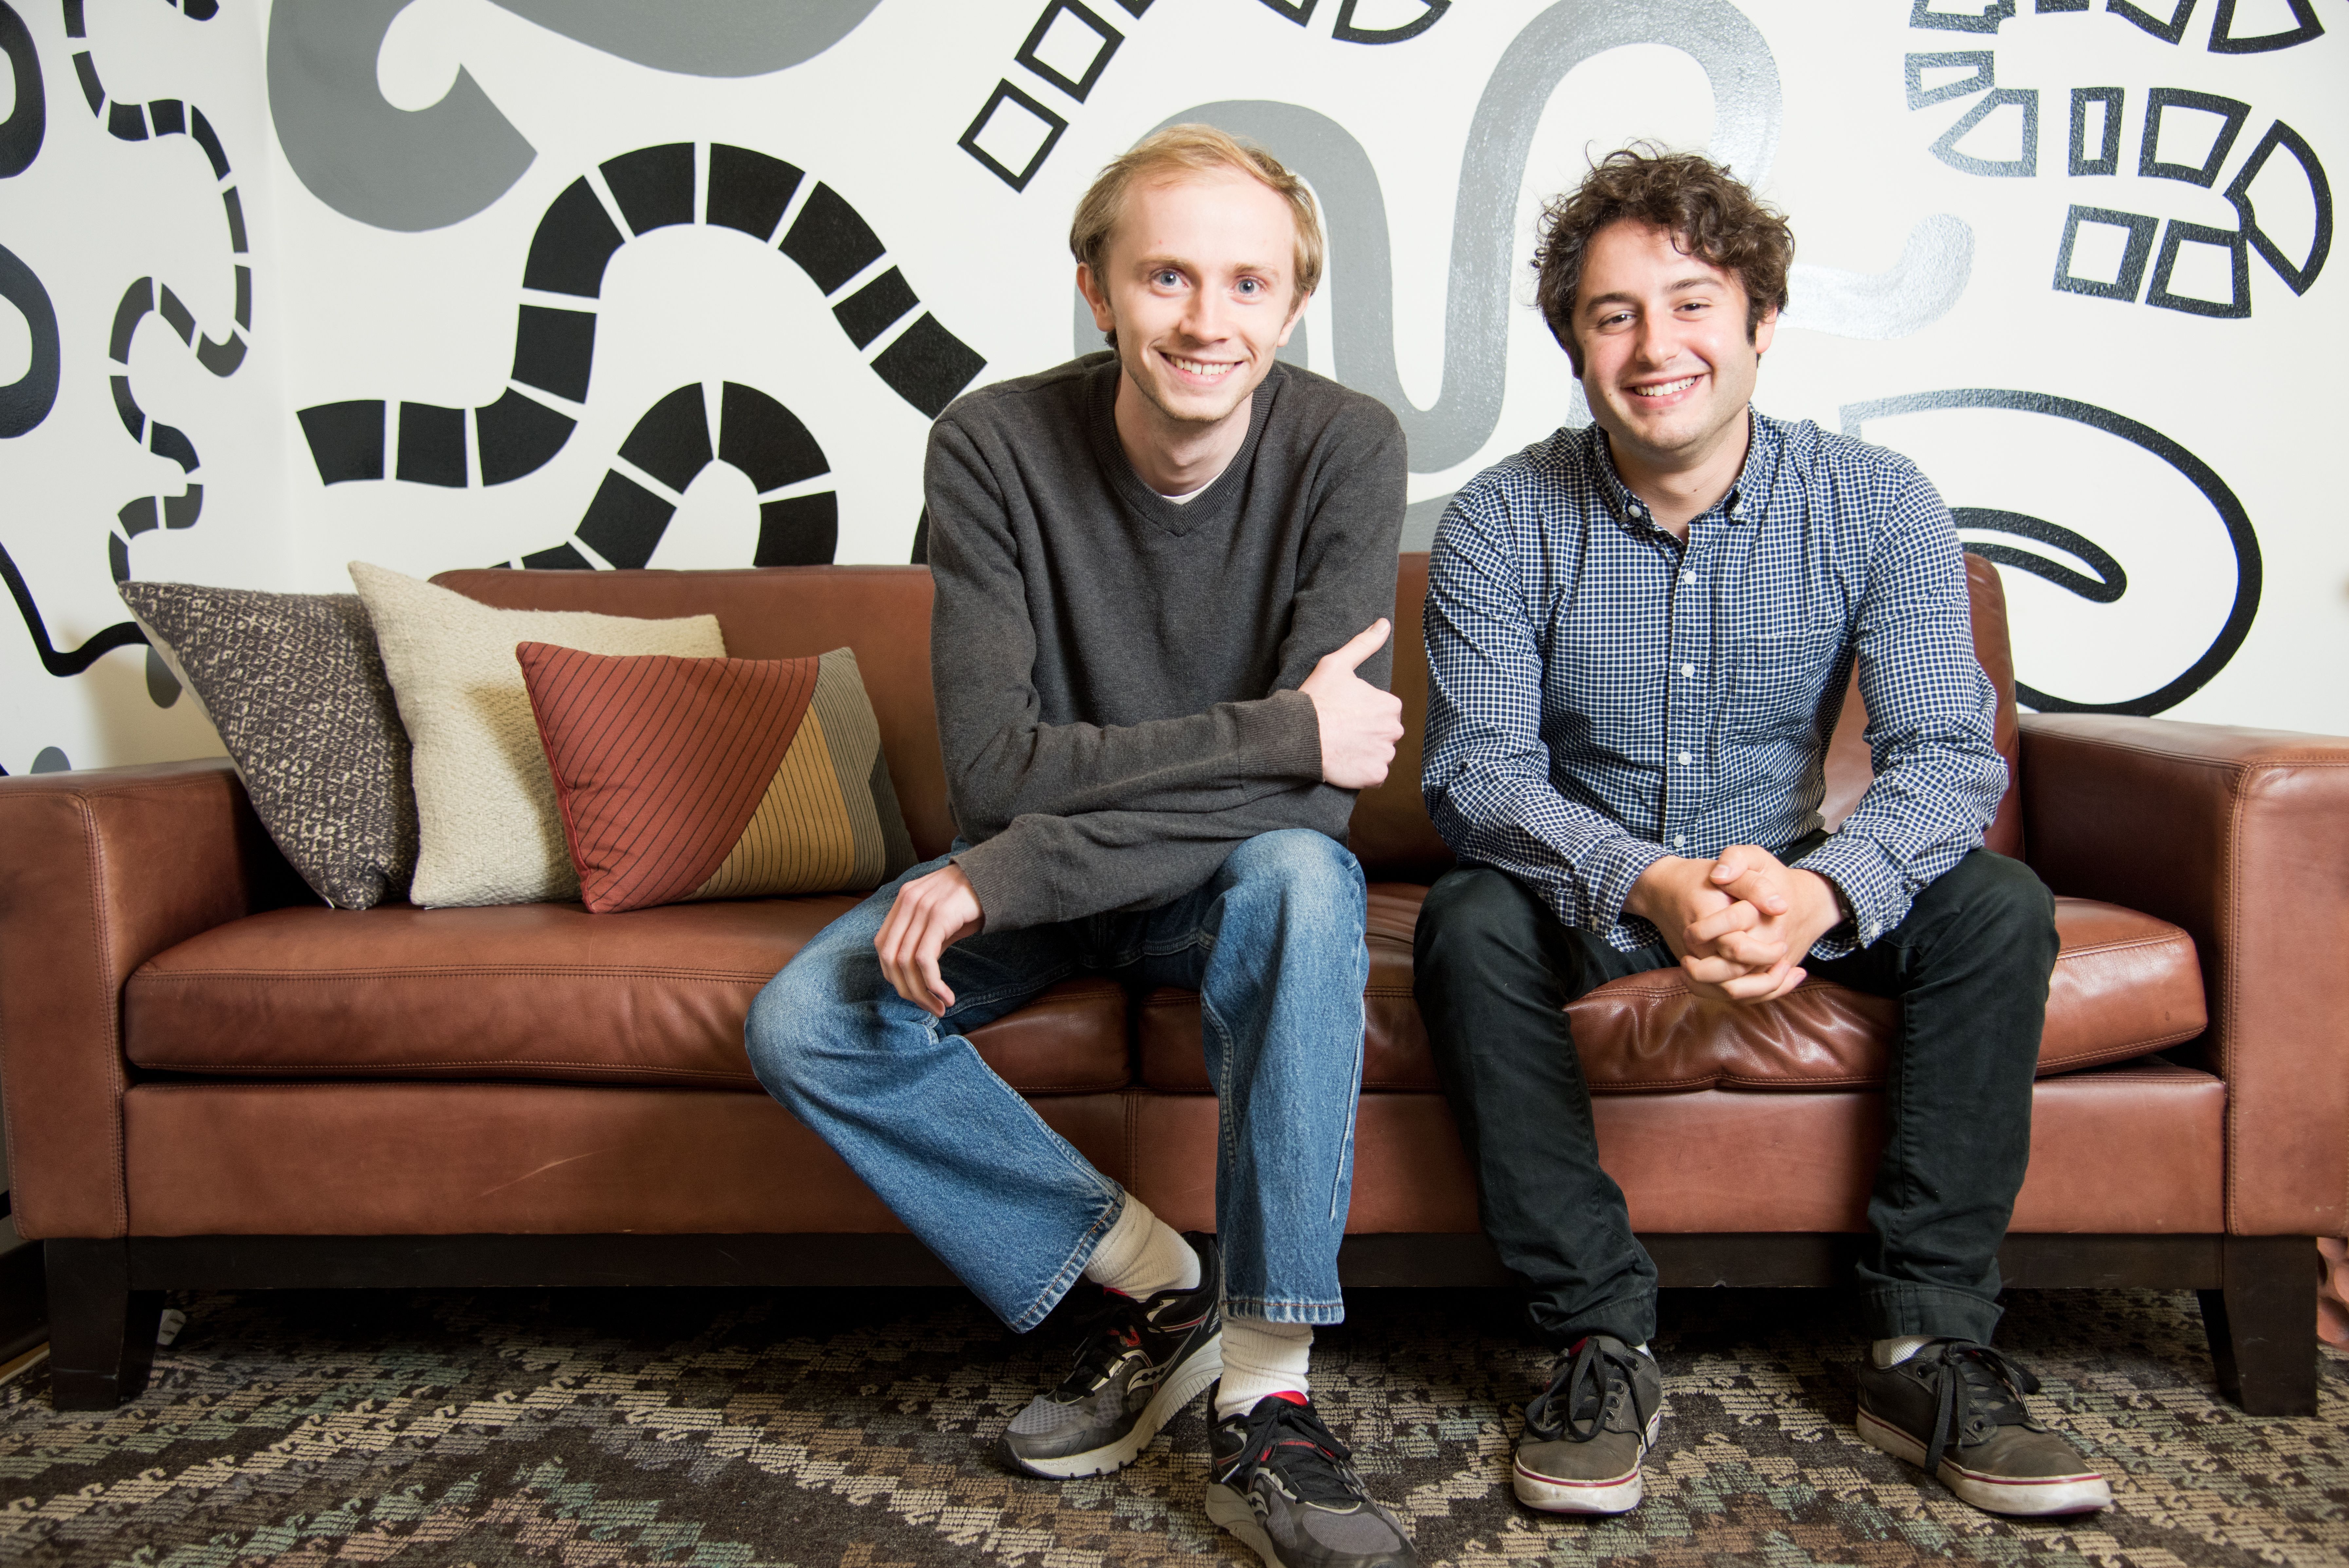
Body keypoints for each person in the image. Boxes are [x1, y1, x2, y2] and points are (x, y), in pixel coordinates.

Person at [746, 125, 1423, 1568]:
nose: (1206, 319)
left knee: (1305, 879)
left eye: (1247, 283)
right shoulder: (990, 446)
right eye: (1167, 276)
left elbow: (1313, 808)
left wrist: (1008, 862)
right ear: (1097, 288)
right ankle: (1157, 1284)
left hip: (1210, 885)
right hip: (1044, 890)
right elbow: (1000, 773)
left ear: (1293, 305)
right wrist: (1280, 732)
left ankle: (1266, 1390)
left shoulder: (1347, 445)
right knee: (806, 1017)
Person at [1412, 146, 2112, 1522]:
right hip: (1596, 890)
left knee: (1998, 903)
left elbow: (1946, 754)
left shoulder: (1878, 501)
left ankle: (1926, 1343)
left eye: (1693, 305)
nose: (1656, 346)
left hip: (1796, 874)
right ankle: (1597, 1337)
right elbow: (1478, 778)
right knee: (1467, 916)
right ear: (1575, 344)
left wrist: (1822, 894)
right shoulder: (1501, 517)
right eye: (1615, 315)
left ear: (1761, 322)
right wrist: (1650, 882)